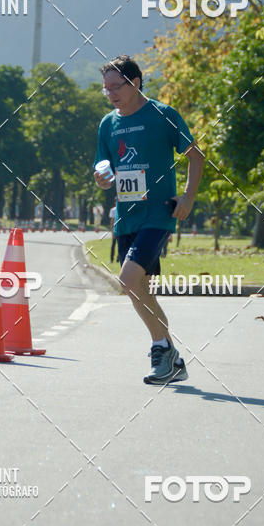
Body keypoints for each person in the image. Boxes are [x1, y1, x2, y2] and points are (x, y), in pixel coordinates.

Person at [94, 55, 204, 385]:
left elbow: (195, 157)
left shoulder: (162, 115)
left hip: (159, 213)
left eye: (116, 86)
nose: (111, 93)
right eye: (105, 89)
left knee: (128, 280)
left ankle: (162, 350)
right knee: (137, 287)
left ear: (135, 83)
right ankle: (170, 356)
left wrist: (187, 198)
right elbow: (104, 166)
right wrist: (102, 178)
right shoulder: (107, 124)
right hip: (127, 216)